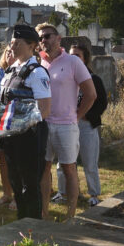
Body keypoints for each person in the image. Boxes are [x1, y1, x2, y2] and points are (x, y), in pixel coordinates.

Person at [37, 24, 97, 220]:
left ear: (58, 38)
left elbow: (91, 93)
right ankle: (44, 212)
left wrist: (77, 116)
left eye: (47, 36)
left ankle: (71, 214)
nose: (44, 40)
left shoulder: (72, 61)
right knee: (44, 168)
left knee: (69, 168)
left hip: (66, 125)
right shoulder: (40, 64)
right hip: (44, 124)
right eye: (41, 38)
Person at [0, 25, 52, 219]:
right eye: (12, 43)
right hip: (11, 136)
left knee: (30, 184)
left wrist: (23, 124)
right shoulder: (11, 71)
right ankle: (21, 223)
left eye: (17, 43)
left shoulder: (37, 73)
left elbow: (45, 109)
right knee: (16, 182)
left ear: (32, 46)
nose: (13, 47)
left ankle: (33, 226)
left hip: (30, 137)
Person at [69, 45, 108, 207]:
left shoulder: (94, 79)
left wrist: (86, 115)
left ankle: (93, 194)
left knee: (89, 162)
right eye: (71, 55)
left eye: (77, 55)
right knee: (66, 162)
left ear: (85, 58)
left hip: (86, 125)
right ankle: (65, 192)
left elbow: (102, 104)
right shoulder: (67, 78)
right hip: (68, 125)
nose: (74, 58)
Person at [0, 45, 17, 208]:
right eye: (7, 52)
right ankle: (7, 194)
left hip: (17, 124)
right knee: (3, 161)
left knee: (17, 161)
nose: (9, 55)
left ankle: (17, 197)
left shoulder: (23, 73)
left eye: (13, 52)